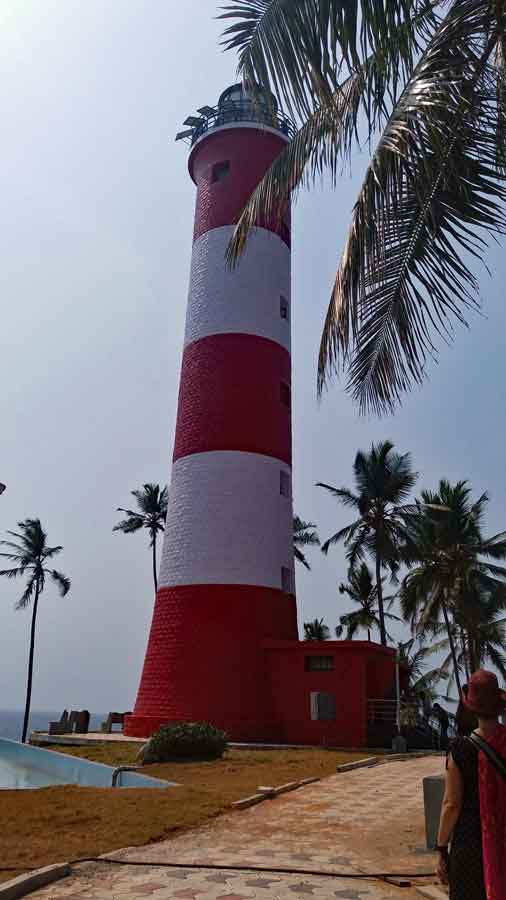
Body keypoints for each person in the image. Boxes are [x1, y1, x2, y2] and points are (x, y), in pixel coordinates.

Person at [436, 670, 506, 900]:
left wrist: (441, 849)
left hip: (469, 846)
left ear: (471, 707)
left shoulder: (460, 749)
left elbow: (451, 804)